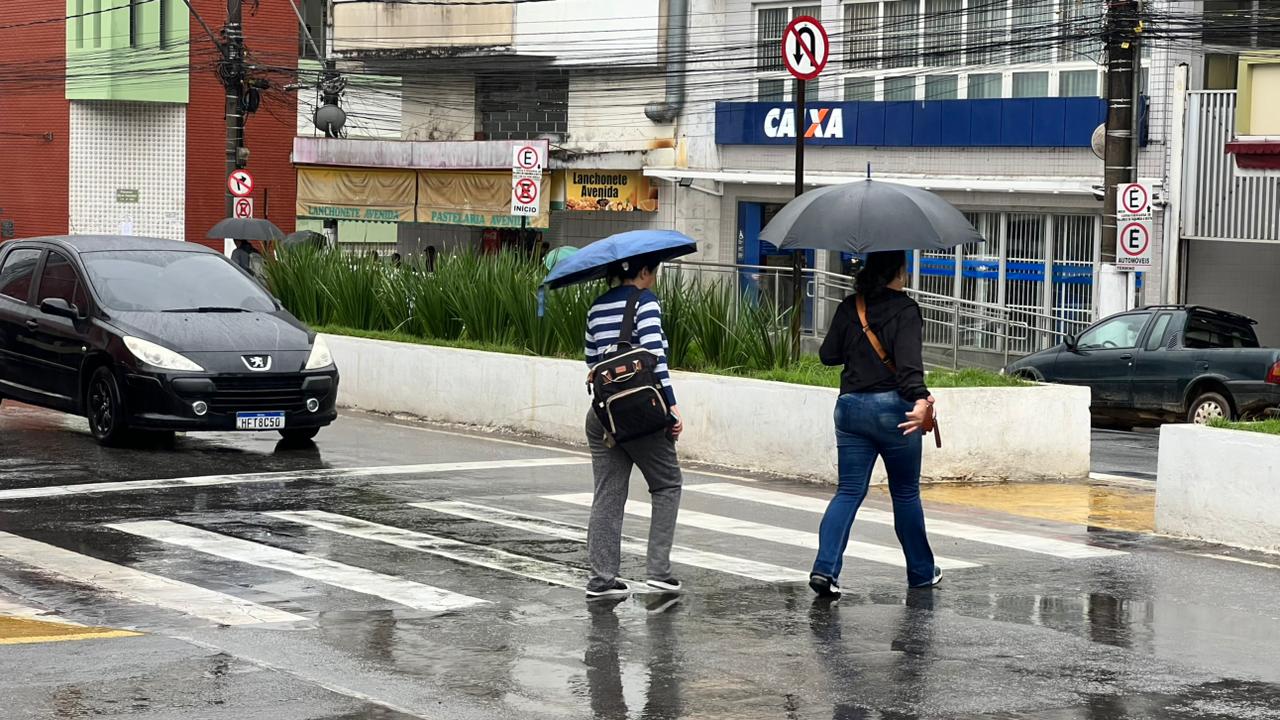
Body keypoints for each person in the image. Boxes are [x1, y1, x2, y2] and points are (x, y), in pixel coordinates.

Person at [809, 250, 941, 599]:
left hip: (850, 409)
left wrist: (857, 341)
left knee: (849, 491)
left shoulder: (851, 306)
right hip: (893, 411)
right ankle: (921, 573)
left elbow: (827, 356)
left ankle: (825, 569)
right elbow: (911, 364)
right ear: (899, 271)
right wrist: (919, 399)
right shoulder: (906, 309)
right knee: (905, 493)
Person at [582, 254, 684, 599]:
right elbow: (656, 356)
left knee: (608, 495)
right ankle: (658, 572)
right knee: (668, 483)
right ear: (643, 271)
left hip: (603, 415)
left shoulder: (596, 307)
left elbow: (592, 362)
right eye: (652, 272)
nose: (654, 279)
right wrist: (670, 406)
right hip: (639, 411)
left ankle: (602, 580)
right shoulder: (646, 302)